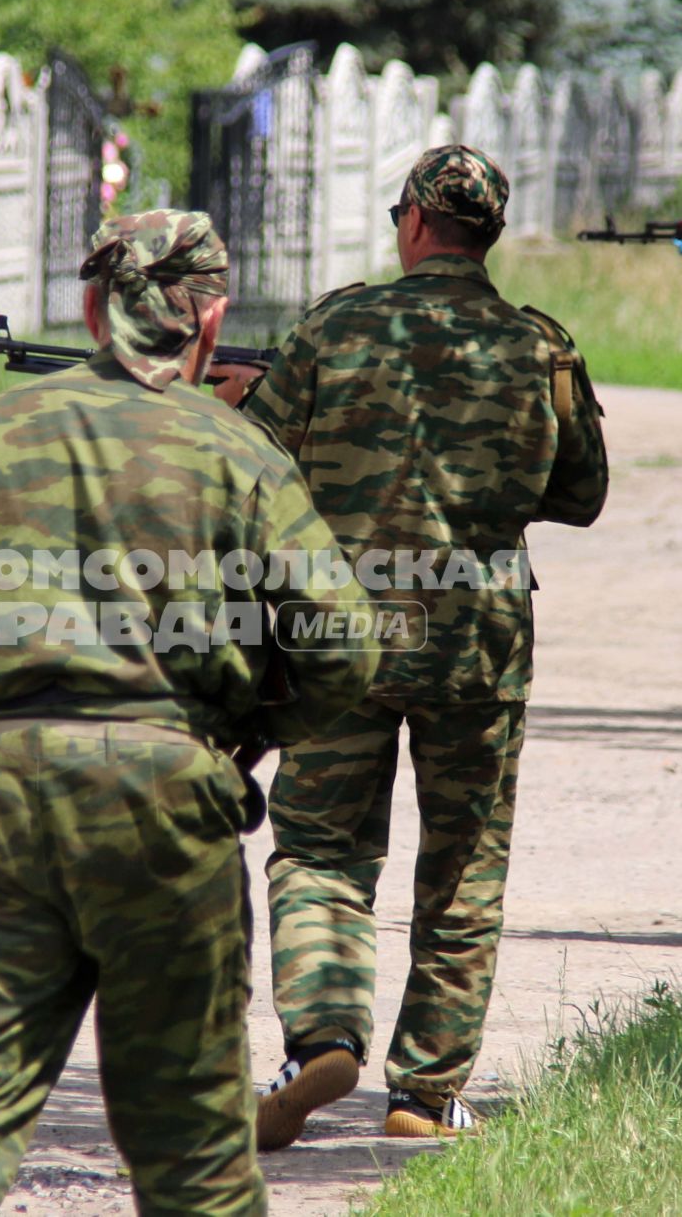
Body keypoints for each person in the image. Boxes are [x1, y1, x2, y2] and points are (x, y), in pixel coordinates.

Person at [0, 210, 380, 1216]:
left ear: (95, 310)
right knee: (193, 1147)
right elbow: (342, 644)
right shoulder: (242, 452)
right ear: (211, 321)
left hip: (0, 800)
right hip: (168, 800)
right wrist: (251, 731)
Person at [227, 145, 609, 1144]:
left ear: (412, 224)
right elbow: (581, 496)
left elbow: (255, 465)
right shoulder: (540, 347)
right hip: (477, 637)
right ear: (487, 234)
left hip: (342, 630)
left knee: (317, 846)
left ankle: (320, 1041)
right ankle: (424, 1096)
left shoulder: (336, 326)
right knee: (463, 865)